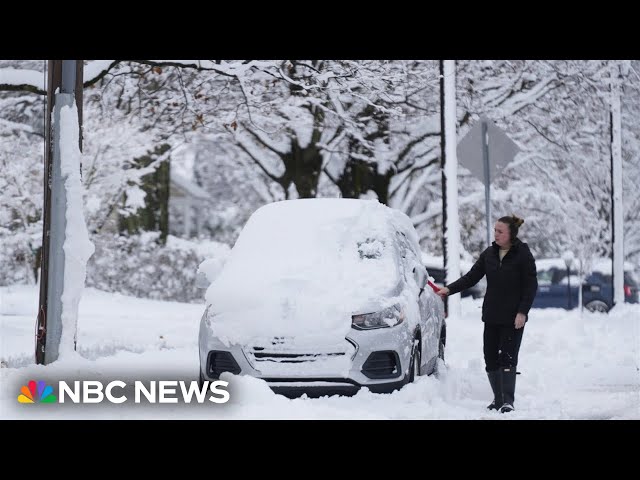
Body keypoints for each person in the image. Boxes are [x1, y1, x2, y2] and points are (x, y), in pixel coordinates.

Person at [437, 215, 538, 413]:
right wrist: (448, 290)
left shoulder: (523, 255)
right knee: (490, 357)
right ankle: (498, 399)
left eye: (500, 231)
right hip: (491, 315)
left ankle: (508, 400)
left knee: (507, 357)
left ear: (511, 234)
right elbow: (471, 278)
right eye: (495, 230)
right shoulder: (489, 254)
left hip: (513, 318)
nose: (496, 234)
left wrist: (522, 312)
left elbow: (530, 286)